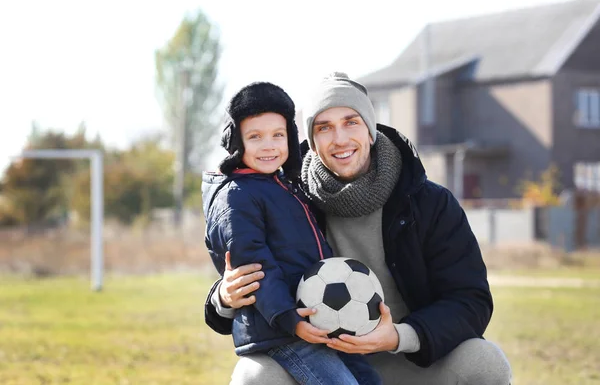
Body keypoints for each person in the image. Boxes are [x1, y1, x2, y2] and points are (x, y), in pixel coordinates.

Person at [204, 72, 512, 385]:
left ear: (369, 129)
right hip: (324, 361)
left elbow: (470, 300)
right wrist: (224, 299)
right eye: (324, 128)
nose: (339, 139)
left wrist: (399, 336)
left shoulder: (428, 203)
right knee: (253, 375)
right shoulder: (290, 198)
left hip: (410, 359)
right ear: (311, 139)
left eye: (351, 122)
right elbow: (258, 273)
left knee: (485, 362)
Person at [202, 81, 382, 385]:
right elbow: (256, 267)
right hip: (283, 332)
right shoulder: (237, 196)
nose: (269, 145)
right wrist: (290, 319)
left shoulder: (285, 185)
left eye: (278, 135)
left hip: (318, 319)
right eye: (255, 137)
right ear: (236, 142)